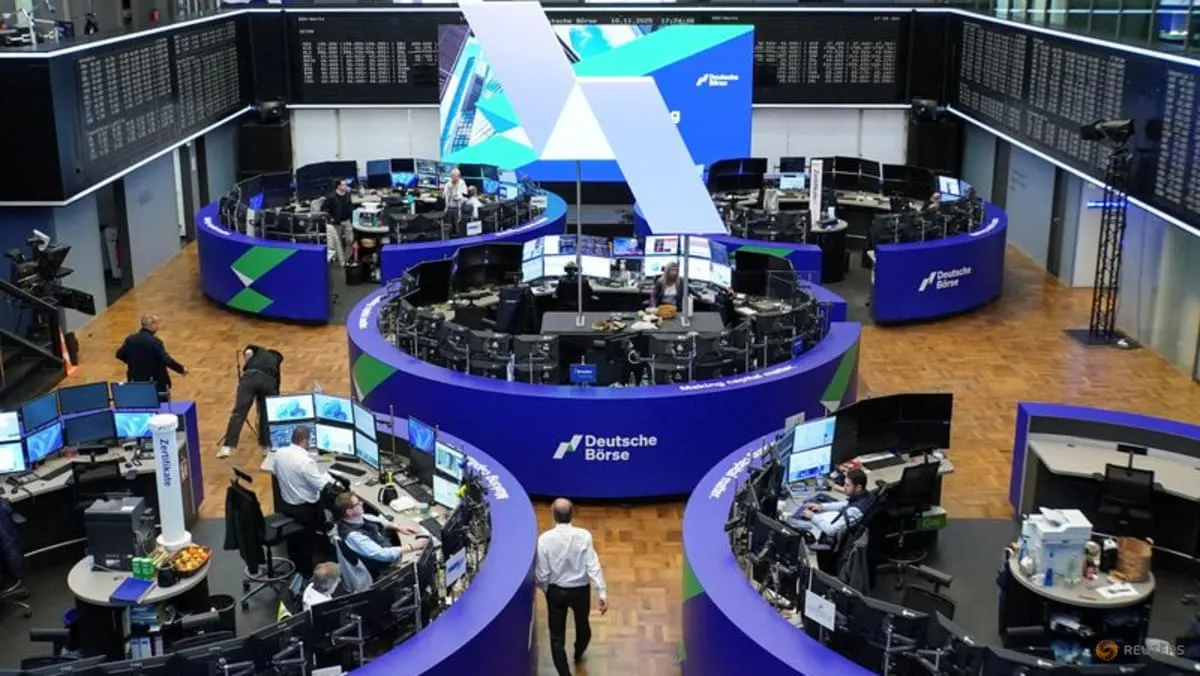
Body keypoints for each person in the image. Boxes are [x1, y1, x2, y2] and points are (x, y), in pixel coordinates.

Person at [535, 498, 607, 676]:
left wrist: (547, 590)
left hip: (556, 591)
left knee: (556, 639)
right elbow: (593, 565)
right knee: (583, 626)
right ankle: (578, 652)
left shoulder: (544, 540)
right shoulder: (584, 536)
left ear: (553, 515)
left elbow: (542, 573)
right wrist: (602, 592)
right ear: (572, 514)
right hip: (581, 591)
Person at [273, 426, 335, 578]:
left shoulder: (279, 453)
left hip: (286, 505)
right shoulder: (305, 462)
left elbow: (275, 471)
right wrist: (329, 477)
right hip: (305, 511)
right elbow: (322, 485)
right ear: (305, 440)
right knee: (329, 502)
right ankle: (310, 568)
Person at [334, 492, 427, 580]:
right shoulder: (353, 536)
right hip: (385, 565)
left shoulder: (355, 518)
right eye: (358, 503)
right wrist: (411, 547)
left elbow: (377, 520)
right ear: (349, 512)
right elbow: (383, 555)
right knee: (423, 565)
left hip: (388, 548)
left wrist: (398, 527)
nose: (362, 503)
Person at [218, 345, 284, 459]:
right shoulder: (275, 362)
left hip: (250, 378)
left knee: (239, 413)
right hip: (269, 382)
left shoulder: (258, 350)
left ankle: (228, 446)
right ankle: (266, 447)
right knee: (265, 415)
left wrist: (247, 361)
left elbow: (248, 350)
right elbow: (277, 384)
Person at [115, 314, 186, 401]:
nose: (158, 327)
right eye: (157, 324)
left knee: (140, 405)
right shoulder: (155, 342)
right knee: (160, 407)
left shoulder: (130, 339)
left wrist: (133, 362)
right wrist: (181, 369)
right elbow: (166, 360)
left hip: (136, 382)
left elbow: (119, 354)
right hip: (155, 384)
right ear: (152, 325)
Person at [795, 468, 876, 540]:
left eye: (848, 485)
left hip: (839, 542)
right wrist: (821, 506)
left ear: (858, 487)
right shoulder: (867, 496)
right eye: (844, 484)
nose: (844, 487)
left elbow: (831, 531)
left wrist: (813, 516)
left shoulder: (854, 511)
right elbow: (847, 504)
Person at [323, 179, 354, 265]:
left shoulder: (348, 195)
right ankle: (340, 260)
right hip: (337, 223)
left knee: (350, 240)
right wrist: (331, 218)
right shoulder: (331, 197)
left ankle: (348, 258)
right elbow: (325, 209)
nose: (345, 186)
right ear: (339, 186)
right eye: (344, 185)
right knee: (338, 242)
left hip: (347, 221)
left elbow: (350, 206)